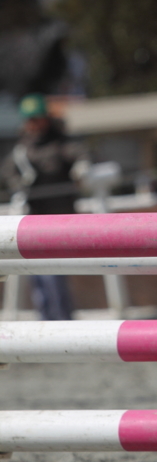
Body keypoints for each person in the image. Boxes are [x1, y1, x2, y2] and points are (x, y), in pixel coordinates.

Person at [0, 93, 89, 320]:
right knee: (38, 280)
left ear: (46, 118)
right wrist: (19, 184)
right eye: (29, 119)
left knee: (54, 277)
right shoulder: (22, 150)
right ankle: (48, 324)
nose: (33, 124)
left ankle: (63, 324)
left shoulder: (61, 143)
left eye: (37, 118)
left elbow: (80, 155)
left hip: (61, 222)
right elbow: (8, 174)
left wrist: (82, 168)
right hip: (32, 222)